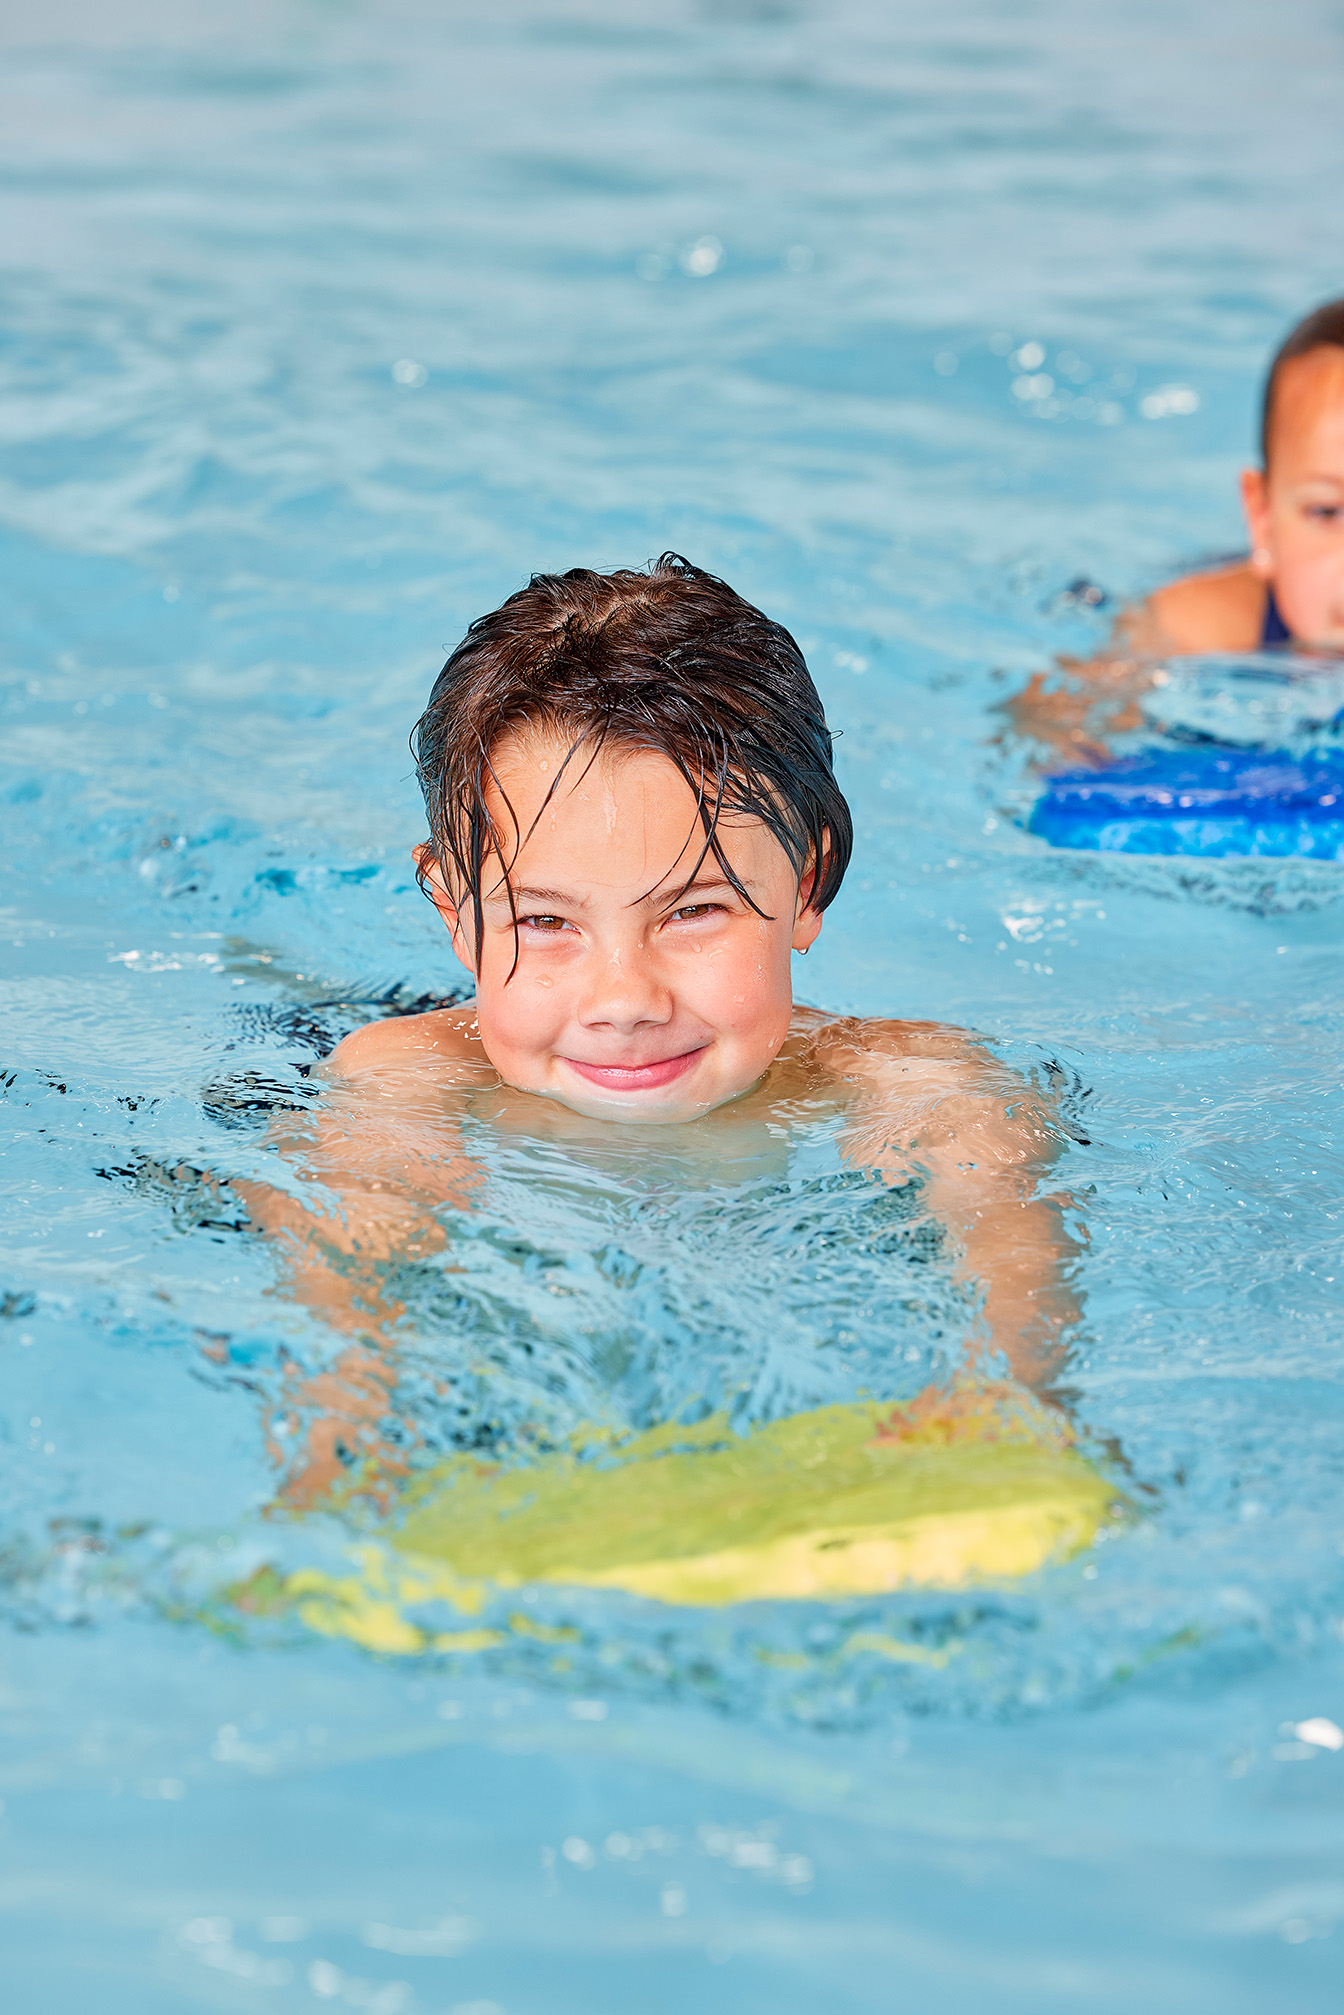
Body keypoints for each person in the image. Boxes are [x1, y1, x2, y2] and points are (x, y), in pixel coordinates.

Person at [240, 557, 1081, 1503]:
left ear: (805, 884)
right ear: (452, 907)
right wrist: (344, 1452)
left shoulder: (906, 1080)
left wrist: (1005, 1401)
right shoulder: (408, 1081)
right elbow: (356, 1299)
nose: (627, 998)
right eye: (543, 920)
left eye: (694, 912)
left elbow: (1004, 1254)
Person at [1007, 297, 1344, 763]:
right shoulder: (1196, 623)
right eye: (1329, 513)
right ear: (1263, 518)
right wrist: (1076, 760)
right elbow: (1050, 714)